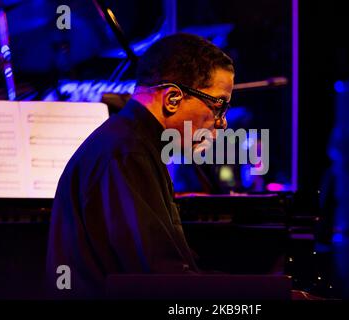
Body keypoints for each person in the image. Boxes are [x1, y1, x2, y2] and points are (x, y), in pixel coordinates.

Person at [46, 33, 235, 298]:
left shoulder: (130, 144)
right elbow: (159, 278)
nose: (222, 122)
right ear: (172, 99)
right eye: (218, 106)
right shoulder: (127, 153)